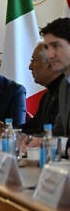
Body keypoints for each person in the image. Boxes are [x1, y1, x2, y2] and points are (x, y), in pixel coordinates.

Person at [41, 18, 70, 157]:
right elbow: (59, 130)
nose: (49, 55)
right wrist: (37, 141)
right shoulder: (65, 84)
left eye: (56, 46)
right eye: (47, 48)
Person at [21, 42, 63, 135]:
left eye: (33, 60)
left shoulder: (65, 94)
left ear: (50, 63)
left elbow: (57, 134)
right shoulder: (47, 94)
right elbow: (35, 126)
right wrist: (6, 130)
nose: (30, 67)